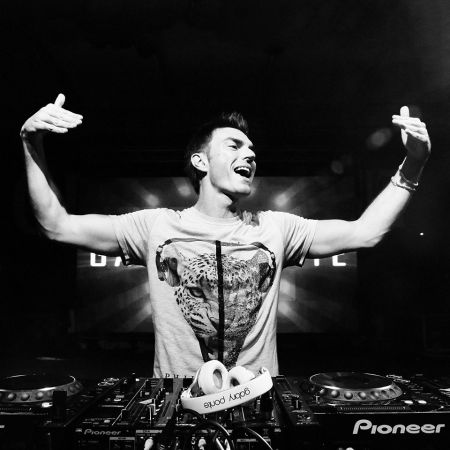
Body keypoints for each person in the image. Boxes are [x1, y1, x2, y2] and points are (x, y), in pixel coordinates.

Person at [20, 94, 431, 377]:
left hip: (257, 409)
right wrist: (30, 143)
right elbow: (57, 225)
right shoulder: (155, 226)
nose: (249, 154)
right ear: (200, 161)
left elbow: (365, 233)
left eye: (252, 150)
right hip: (177, 408)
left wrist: (412, 165)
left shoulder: (275, 228)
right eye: (234, 145)